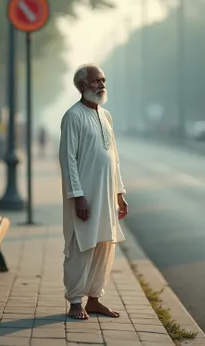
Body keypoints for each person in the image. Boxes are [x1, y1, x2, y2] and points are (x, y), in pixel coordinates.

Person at [59, 64, 128, 321]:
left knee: (104, 245)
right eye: (96, 80)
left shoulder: (106, 116)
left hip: (107, 195)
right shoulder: (73, 116)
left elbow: (114, 159)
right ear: (82, 86)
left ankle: (95, 299)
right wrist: (78, 196)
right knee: (81, 246)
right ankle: (75, 300)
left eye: (103, 80)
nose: (101, 84)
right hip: (85, 197)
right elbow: (68, 160)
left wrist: (120, 194)